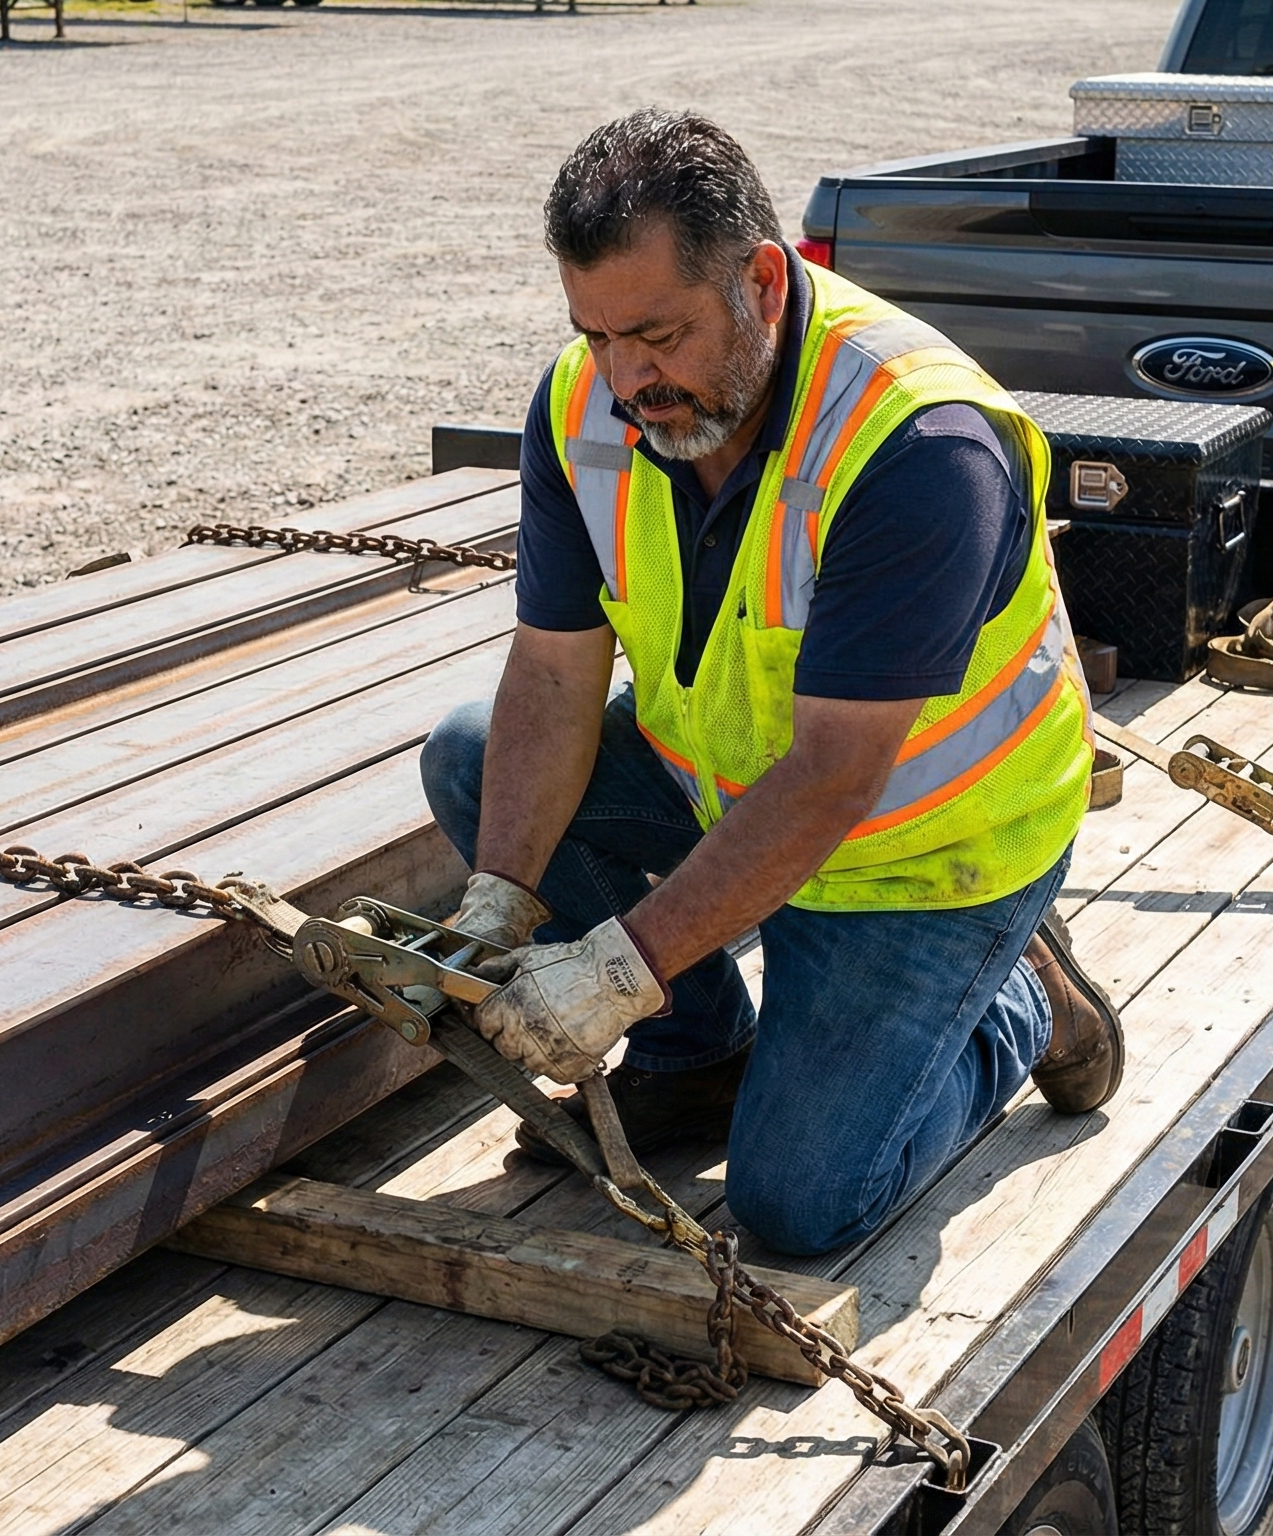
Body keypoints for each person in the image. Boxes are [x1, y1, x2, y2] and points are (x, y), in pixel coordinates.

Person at [418, 108, 1123, 1257]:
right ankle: (695, 1060)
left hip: (928, 848)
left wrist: (616, 970)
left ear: (760, 279)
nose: (625, 382)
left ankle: (1018, 1002)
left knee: (799, 1204)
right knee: (465, 754)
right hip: (740, 790)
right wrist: (500, 898)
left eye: (656, 336)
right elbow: (550, 673)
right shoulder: (581, 406)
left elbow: (837, 775)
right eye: (595, 337)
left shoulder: (914, 446)